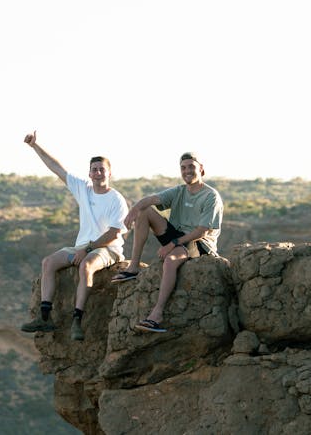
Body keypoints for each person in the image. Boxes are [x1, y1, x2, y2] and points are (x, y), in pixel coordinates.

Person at [20, 130, 129, 341]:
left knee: (86, 265)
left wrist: (88, 249)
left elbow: (115, 233)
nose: (98, 173)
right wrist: (35, 146)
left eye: (102, 170)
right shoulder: (84, 189)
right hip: (82, 246)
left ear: (109, 173)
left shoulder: (117, 200)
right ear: (89, 174)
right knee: (48, 262)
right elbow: (57, 169)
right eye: (94, 170)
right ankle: (45, 317)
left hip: (108, 249)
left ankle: (77, 320)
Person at [113, 152, 223, 333]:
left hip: (199, 242)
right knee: (145, 211)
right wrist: (135, 209)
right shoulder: (179, 191)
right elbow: (150, 200)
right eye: (183, 167)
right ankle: (133, 268)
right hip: (178, 234)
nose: (187, 171)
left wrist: (173, 243)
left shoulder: (211, 196)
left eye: (191, 167)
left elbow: (201, 231)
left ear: (201, 169)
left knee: (171, 260)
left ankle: (157, 314)